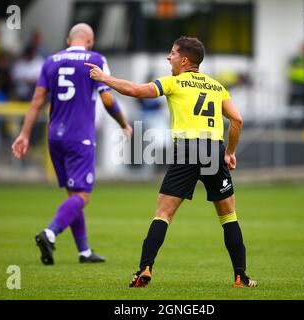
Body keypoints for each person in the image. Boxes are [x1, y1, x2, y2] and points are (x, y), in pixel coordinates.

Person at [87, 36, 257, 288]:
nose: (169, 57)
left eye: (173, 53)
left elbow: (135, 90)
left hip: (187, 149)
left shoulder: (174, 83)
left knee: (163, 215)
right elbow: (238, 120)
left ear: (185, 60)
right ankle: (240, 277)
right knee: (228, 217)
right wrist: (230, 152)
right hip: (212, 150)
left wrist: (105, 79)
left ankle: (145, 268)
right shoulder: (216, 86)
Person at [12, 23, 133, 265]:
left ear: (69, 40)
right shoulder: (95, 59)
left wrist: (24, 134)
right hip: (80, 136)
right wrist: (123, 123)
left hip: (54, 136)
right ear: (90, 40)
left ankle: (84, 251)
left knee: (73, 194)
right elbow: (107, 99)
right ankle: (49, 233)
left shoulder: (50, 61)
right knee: (84, 196)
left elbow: (36, 101)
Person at [287, 42, 304, 126]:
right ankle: (289, 119)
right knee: (292, 101)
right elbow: (292, 67)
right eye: (303, 49)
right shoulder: (296, 58)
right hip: (296, 82)